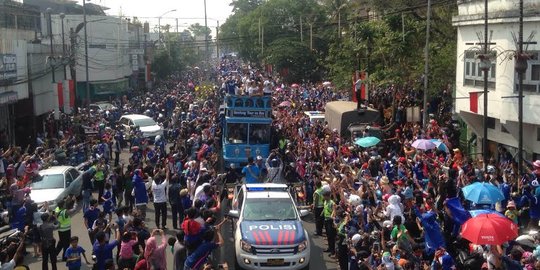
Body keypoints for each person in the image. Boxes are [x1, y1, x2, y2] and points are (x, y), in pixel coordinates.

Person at [54, 196, 78, 262]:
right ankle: (64, 257)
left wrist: (68, 199)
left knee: (61, 243)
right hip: (66, 230)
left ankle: (54, 255)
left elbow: (65, 204)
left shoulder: (57, 209)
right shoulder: (65, 212)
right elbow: (74, 209)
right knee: (66, 244)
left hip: (60, 230)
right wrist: (75, 203)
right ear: (63, 205)